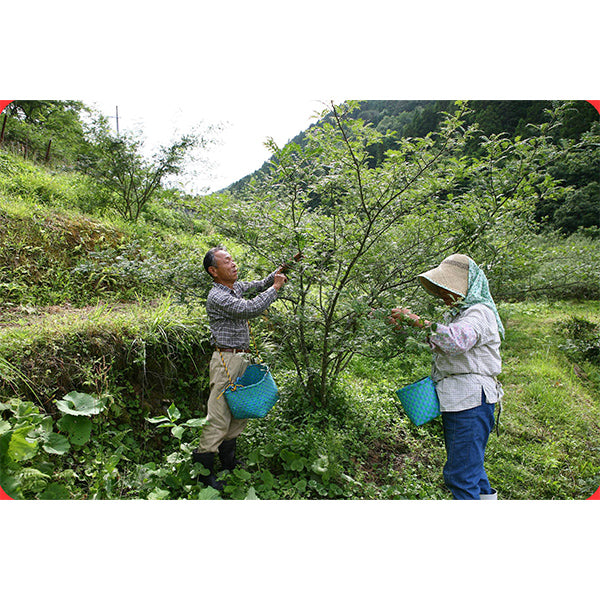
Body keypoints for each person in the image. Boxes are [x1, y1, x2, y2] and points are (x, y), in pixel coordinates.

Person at [390, 253, 504, 500]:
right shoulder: (457, 314)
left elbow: (455, 341)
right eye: (442, 288)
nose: (444, 293)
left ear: (466, 287)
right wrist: (409, 325)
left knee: (461, 475)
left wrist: (417, 321)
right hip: (462, 400)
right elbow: (440, 339)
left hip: (471, 401)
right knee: (472, 468)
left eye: (448, 287)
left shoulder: (479, 312)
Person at [193, 246, 289, 490]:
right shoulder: (217, 296)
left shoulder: (234, 287)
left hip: (241, 359)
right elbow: (250, 309)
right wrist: (276, 288)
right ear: (213, 271)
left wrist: (280, 272)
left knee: (238, 414)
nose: (233, 264)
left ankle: (229, 465)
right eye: (227, 261)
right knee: (219, 416)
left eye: (232, 259)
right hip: (226, 361)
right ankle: (204, 475)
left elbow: (259, 285)